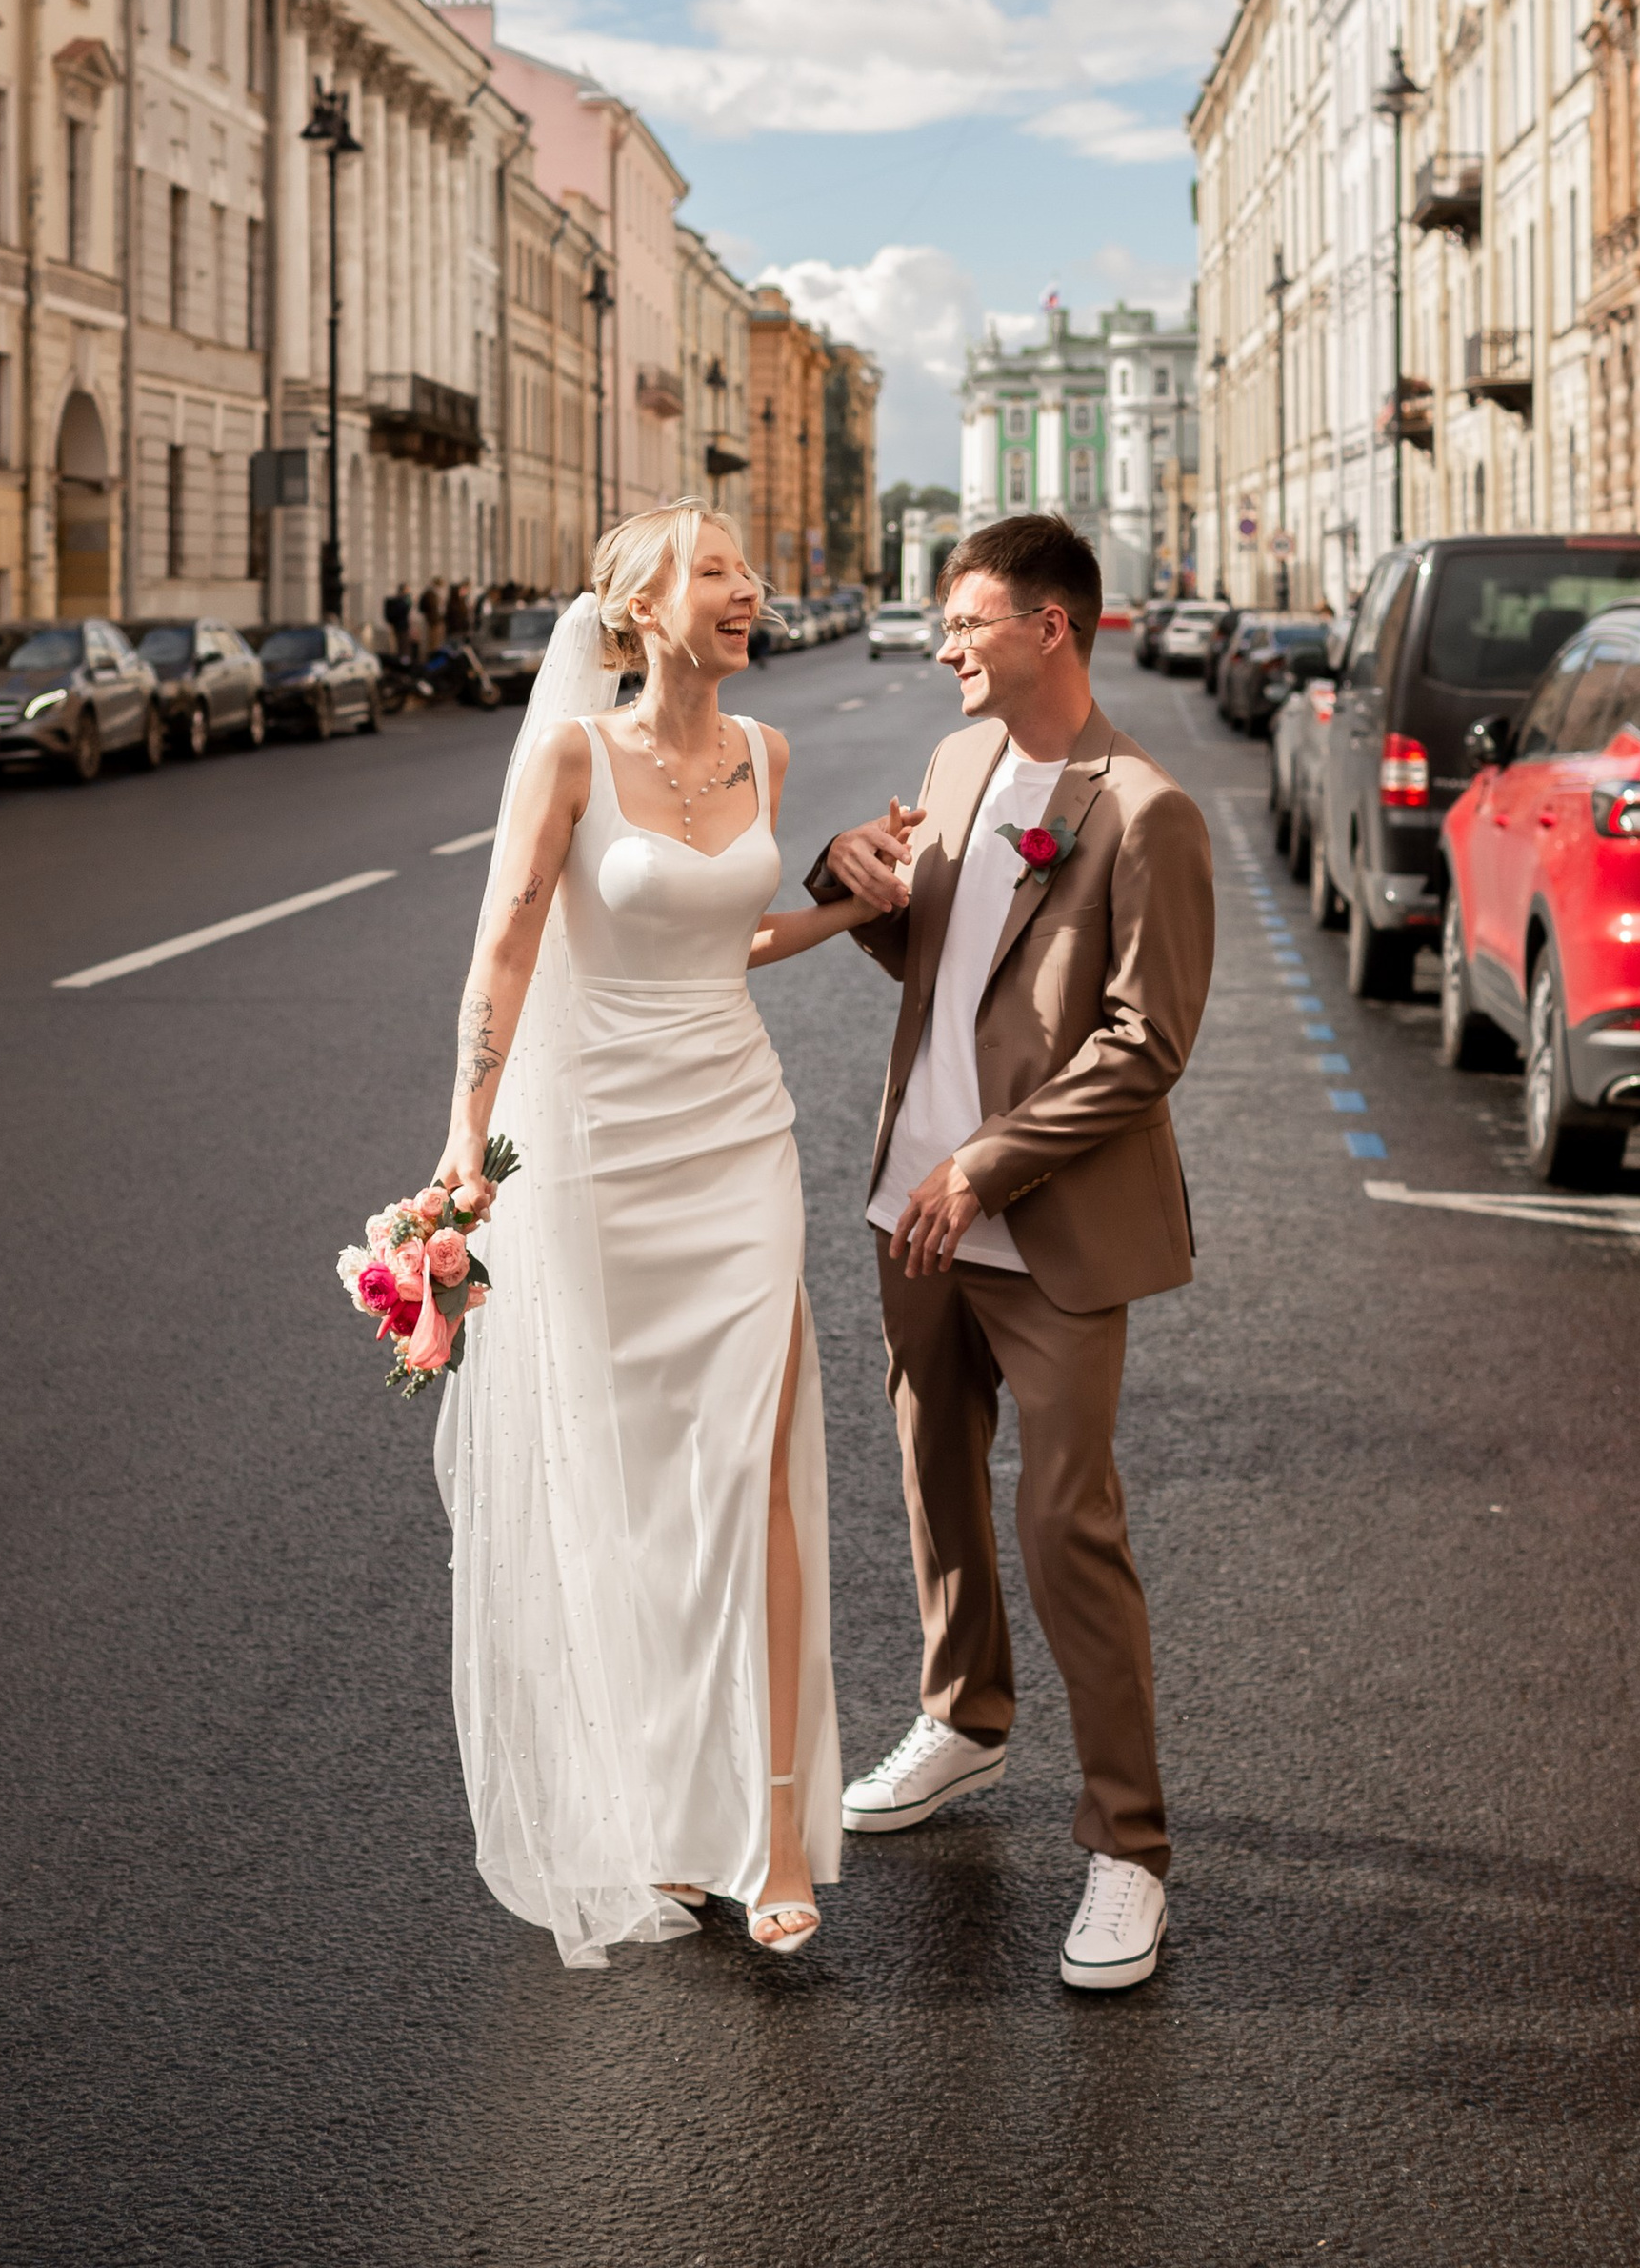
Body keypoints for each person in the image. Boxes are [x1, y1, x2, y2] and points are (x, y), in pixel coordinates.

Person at [430, 502, 878, 1967]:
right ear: (637, 610)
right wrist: (464, 1148)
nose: (748, 590)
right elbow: (508, 942)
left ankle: (777, 1833)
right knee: (641, 1493)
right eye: (717, 572)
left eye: (751, 567)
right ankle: (672, 1826)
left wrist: (845, 890)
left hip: (738, 1131)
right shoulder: (569, 754)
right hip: (604, 1147)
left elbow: (727, 940)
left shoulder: (769, 755)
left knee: (754, 1470)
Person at [811, 511, 1213, 1995]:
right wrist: (851, 875)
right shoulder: (958, 766)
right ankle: (965, 1721)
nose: (945, 643)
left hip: (1038, 1223)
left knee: (1067, 1523)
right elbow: (928, 954)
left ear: (1053, 627)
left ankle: (1128, 1847)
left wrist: (990, 1161)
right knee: (929, 1470)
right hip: (907, 1203)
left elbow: (1145, 1045)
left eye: (967, 620)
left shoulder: (1143, 810)